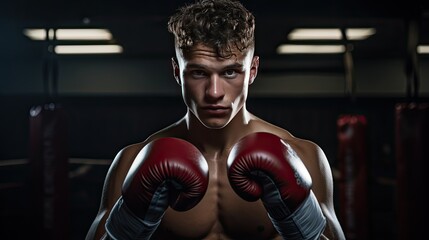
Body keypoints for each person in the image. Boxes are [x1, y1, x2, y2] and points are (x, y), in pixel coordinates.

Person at [86, 0, 346, 239]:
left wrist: (301, 217)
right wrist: (130, 220)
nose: (214, 93)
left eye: (231, 72)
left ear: (252, 71)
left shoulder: (303, 155)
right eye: (198, 73)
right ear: (177, 72)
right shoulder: (133, 161)